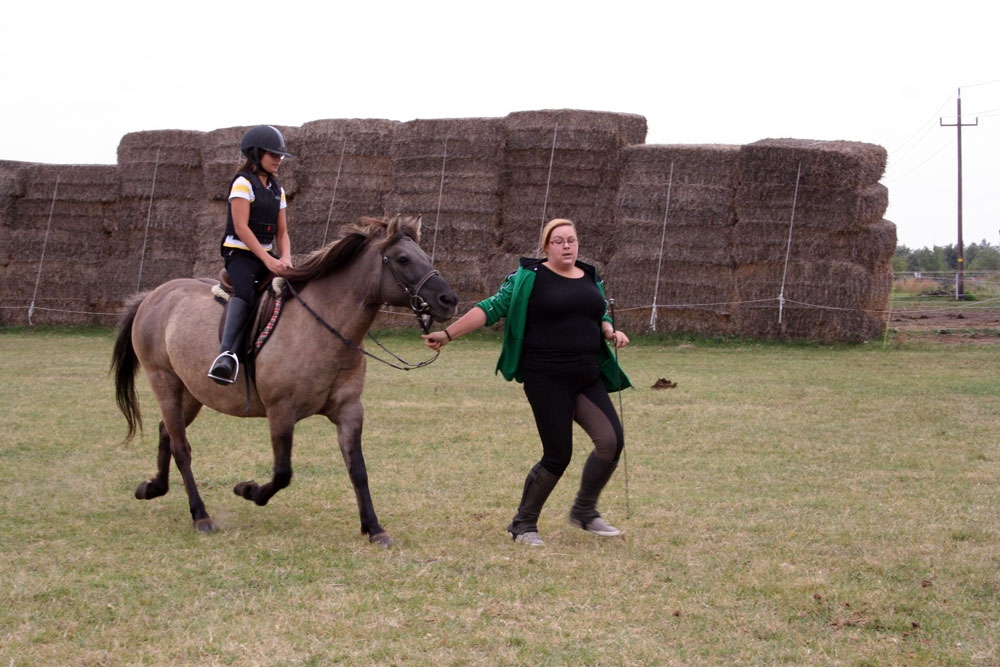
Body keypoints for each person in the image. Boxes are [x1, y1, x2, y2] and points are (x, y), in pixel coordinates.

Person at [423, 218, 631, 546]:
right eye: (559, 241)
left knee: (611, 440)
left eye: (572, 240)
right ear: (546, 246)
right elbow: (491, 308)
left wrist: (610, 331)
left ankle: (584, 511)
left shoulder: (590, 276)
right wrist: (447, 334)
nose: (567, 246)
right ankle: (523, 525)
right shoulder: (528, 278)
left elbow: (599, 311)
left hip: (587, 376)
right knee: (558, 454)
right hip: (546, 378)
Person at [208, 125, 294, 385]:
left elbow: (282, 232)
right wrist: (268, 260)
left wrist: (286, 258)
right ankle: (226, 356)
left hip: (267, 256)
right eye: (273, 154)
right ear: (256, 154)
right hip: (241, 256)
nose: (278, 160)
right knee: (245, 293)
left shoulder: (277, 189)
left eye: (280, 156)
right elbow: (242, 228)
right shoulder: (242, 184)